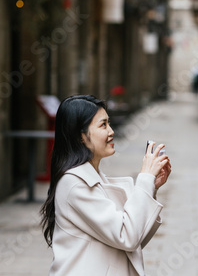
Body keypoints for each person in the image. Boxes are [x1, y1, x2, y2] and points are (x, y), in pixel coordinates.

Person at [40, 95, 171, 276]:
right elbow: (128, 237)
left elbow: (135, 240)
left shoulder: (94, 178)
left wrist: (152, 187)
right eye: (103, 125)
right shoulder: (74, 184)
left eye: (109, 123)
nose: (111, 131)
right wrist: (145, 179)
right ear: (80, 136)